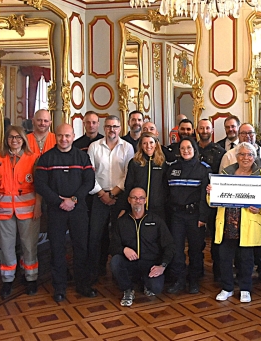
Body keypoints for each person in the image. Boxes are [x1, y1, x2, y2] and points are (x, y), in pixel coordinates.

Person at [34, 123, 96, 302]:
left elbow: (89, 182)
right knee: (57, 249)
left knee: (81, 247)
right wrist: (60, 201)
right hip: (56, 210)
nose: (64, 139)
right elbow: (40, 185)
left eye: (67, 136)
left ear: (73, 136)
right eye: (60, 136)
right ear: (56, 137)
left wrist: (74, 199)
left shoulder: (82, 157)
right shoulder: (46, 159)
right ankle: (59, 288)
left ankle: (83, 284)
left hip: (79, 209)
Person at [210, 142, 261, 303]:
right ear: (237, 156)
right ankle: (227, 288)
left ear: (254, 157)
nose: (245, 158)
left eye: (249, 155)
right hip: (227, 225)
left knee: (246, 260)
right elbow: (212, 201)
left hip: (248, 226)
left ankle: (245, 289)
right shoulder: (225, 174)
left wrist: (260, 209)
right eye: (242, 154)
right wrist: (210, 192)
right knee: (225, 259)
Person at [0, 125, 41, 299]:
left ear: (24, 139)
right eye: (11, 137)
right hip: (2, 209)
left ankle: (30, 278)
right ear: (6, 140)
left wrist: (38, 205)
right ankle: (7, 280)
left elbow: (39, 185)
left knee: (29, 245)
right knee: (6, 247)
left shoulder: (33, 158)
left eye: (18, 137)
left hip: (28, 208)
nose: (15, 140)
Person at [87, 116, 134, 283]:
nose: (112, 130)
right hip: (98, 196)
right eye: (108, 126)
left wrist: (113, 193)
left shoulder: (127, 147)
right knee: (95, 235)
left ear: (120, 128)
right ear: (104, 128)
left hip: (119, 197)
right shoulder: (94, 147)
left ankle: (117, 271)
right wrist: (101, 194)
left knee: (118, 235)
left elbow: (128, 174)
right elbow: (89, 174)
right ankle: (94, 271)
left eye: (115, 126)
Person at [110, 187, 175, 306]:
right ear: (129, 200)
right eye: (134, 198)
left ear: (145, 200)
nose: (138, 201)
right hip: (130, 262)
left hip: (151, 264)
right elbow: (113, 245)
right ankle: (128, 289)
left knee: (156, 288)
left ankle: (145, 283)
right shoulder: (121, 222)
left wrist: (162, 266)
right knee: (115, 261)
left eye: (141, 198)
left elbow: (169, 245)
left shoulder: (156, 220)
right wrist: (123, 249)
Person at [165, 137, 211, 295]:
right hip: (176, 215)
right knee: (176, 249)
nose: (185, 151)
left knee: (195, 249)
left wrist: (203, 218)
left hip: (195, 215)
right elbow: (167, 194)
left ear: (195, 149)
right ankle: (179, 279)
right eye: (183, 148)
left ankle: (194, 280)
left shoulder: (203, 169)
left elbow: (206, 197)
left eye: (189, 148)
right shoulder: (172, 169)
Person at [196, 118, 226, 280]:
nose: (205, 131)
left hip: (214, 200)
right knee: (197, 239)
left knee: (216, 237)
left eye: (207, 128)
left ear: (212, 130)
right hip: (196, 200)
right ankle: (197, 272)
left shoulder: (220, 151)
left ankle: (218, 272)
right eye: (202, 128)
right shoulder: (191, 148)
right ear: (197, 130)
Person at [120, 132, 167, 220]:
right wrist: (125, 207)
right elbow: (129, 185)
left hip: (158, 207)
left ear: (156, 144)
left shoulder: (162, 163)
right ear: (141, 145)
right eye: (144, 143)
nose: (148, 146)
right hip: (138, 206)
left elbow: (165, 186)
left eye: (151, 142)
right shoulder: (134, 162)